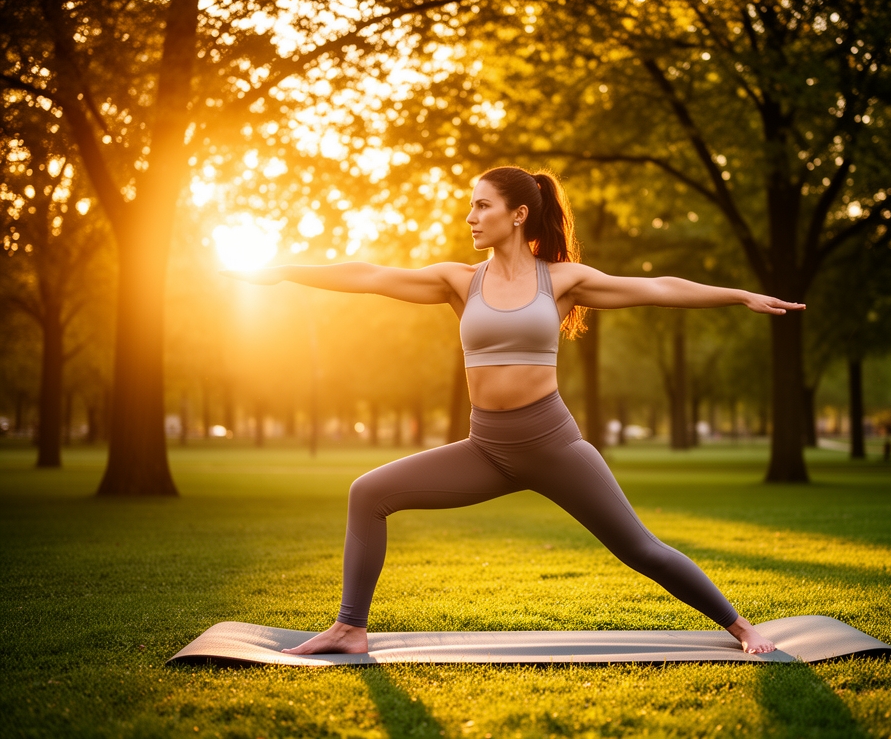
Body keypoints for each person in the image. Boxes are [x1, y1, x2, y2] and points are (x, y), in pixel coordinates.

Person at [224, 166, 805, 656]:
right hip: (487, 450)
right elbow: (371, 276)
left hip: (553, 446)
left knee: (639, 548)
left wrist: (738, 295)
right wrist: (282, 270)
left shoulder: (564, 280)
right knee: (367, 492)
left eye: (482, 206)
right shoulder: (458, 280)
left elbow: (658, 288)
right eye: (470, 207)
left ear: (518, 214)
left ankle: (741, 626)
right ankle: (350, 627)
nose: (471, 217)